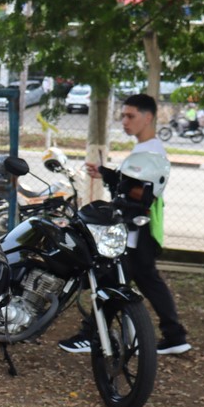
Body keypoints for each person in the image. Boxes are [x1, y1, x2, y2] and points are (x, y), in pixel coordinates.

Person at [59, 93, 190, 355]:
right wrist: (106, 173)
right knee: (140, 279)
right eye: (123, 116)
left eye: (130, 116)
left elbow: (137, 192)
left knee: (111, 278)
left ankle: (90, 334)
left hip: (137, 229)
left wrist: (112, 179)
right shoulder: (146, 150)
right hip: (140, 230)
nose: (125, 122)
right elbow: (129, 185)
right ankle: (175, 335)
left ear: (148, 117)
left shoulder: (151, 152)